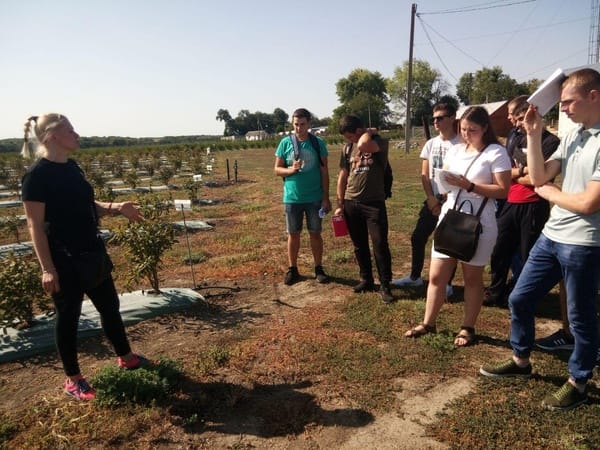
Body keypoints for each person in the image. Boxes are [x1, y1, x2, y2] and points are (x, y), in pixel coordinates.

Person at [480, 68, 600, 411]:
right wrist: (533, 135)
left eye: (568, 102)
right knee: (519, 298)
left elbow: (590, 202)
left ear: (593, 96)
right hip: (552, 235)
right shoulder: (574, 134)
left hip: (584, 242)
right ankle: (521, 361)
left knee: (580, 317)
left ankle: (578, 381)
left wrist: (550, 193)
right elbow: (539, 174)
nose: (562, 109)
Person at [21, 113, 149, 401]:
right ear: (53, 136)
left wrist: (116, 207)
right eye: (70, 130)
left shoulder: (72, 167)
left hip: (92, 252)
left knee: (110, 307)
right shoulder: (36, 176)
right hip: (63, 260)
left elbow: (87, 204)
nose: (77, 134)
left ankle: (126, 357)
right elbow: (35, 226)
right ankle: (73, 379)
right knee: (68, 319)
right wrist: (47, 268)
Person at [404, 106, 511, 346]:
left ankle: (467, 327)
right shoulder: (454, 150)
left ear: (485, 128)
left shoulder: (496, 152)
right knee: (436, 276)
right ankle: (428, 323)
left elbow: (503, 190)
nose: (466, 134)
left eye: (472, 130)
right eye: (463, 129)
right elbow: (445, 185)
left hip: (479, 222)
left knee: (472, 278)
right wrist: (444, 185)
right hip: (450, 216)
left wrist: (469, 185)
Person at [485, 99, 560, 306]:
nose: (518, 123)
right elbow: (504, 171)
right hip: (509, 202)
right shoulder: (513, 136)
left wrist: (517, 174)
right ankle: (495, 292)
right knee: (500, 250)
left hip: (534, 204)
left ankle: (522, 295)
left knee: (528, 253)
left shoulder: (550, 142)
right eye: (517, 119)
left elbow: (541, 178)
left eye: (521, 118)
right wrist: (523, 171)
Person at [393, 102, 461, 298]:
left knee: (449, 244)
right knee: (417, 237)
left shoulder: (461, 144)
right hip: (432, 200)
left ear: (452, 118)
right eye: (434, 118)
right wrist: (431, 199)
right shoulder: (431, 144)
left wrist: (444, 199)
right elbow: (425, 174)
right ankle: (415, 277)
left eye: (440, 118)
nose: (435, 122)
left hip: (452, 201)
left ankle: (447, 283)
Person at [334, 114, 393, 304]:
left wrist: (367, 133)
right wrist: (340, 203)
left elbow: (363, 146)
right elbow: (343, 176)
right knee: (359, 245)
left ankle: (385, 285)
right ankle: (366, 279)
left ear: (359, 131)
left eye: (350, 136)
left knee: (379, 244)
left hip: (373, 203)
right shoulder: (346, 148)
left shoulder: (379, 142)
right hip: (351, 202)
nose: (349, 140)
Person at [274, 108, 331, 285]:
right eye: (296, 125)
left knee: (315, 233)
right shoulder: (285, 143)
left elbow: (324, 171)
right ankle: (293, 269)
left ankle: (318, 268)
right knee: (293, 234)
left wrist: (326, 197)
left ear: (309, 124)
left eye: (302, 124)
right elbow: (277, 169)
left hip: (314, 197)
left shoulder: (317, 143)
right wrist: (291, 170)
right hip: (292, 198)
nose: (299, 128)